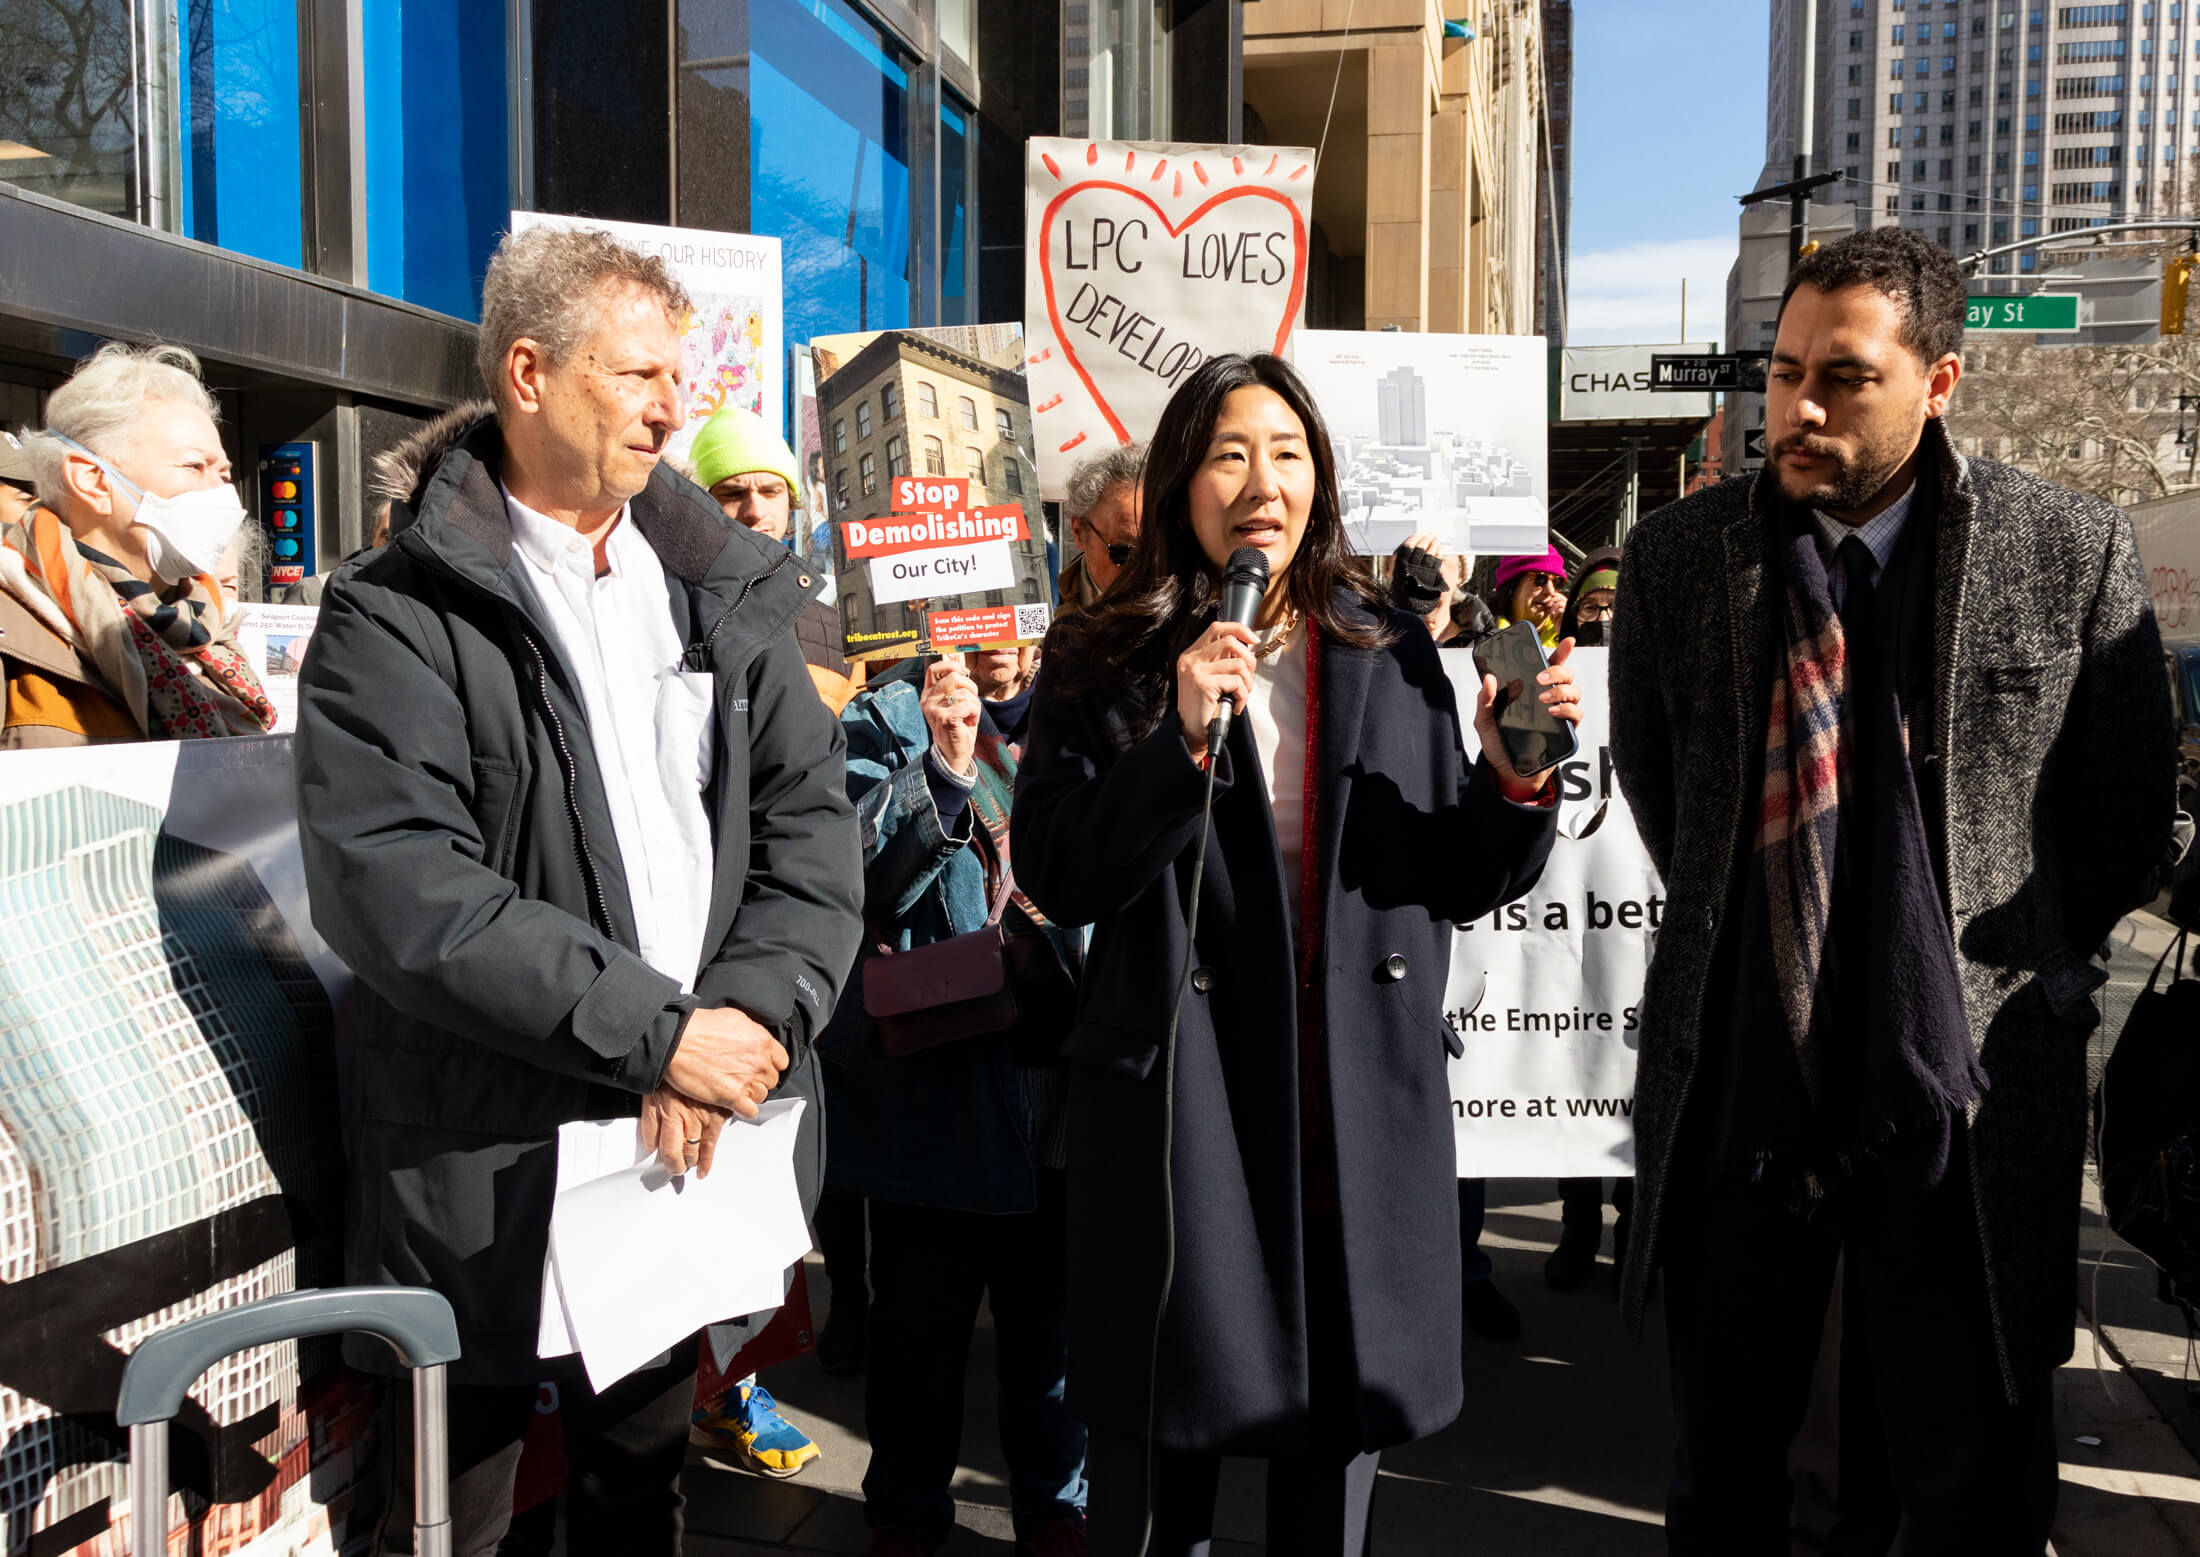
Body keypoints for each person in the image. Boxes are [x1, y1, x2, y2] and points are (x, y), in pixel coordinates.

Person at [292, 223, 863, 1557]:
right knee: (456, 1523)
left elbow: (809, 833)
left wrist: (748, 1021)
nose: (675, 406)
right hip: (481, 1178)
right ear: (530, 374)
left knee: (636, 1504)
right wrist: (655, 1033)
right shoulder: (392, 613)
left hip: (676, 1164)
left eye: (682, 375)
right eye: (639, 373)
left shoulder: (723, 593)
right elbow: (400, 888)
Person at [1609, 225, 2175, 1552]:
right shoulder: (1689, 560)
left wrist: (2013, 957)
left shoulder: (2066, 547)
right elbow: (1659, 785)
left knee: (1968, 1472)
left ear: (1941, 381)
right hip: (1746, 1079)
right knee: (1725, 1471)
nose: (1795, 408)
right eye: (1785, 368)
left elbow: (2123, 816)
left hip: (1963, 1097)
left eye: (1843, 377)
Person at [1013, 353, 1579, 1557]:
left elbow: (1454, 879)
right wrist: (1173, 741)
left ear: (1319, 482)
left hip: (1347, 1110)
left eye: (1286, 452)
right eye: (1228, 452)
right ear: (1181, 482)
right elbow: (1059, 873)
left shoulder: (1385, 647)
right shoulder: (1098, 658)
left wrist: (1512, 777)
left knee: (1330, 1483)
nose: (1259, 480)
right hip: (1186, 1113)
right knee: (1164, 1487)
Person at [825, 640, 1088, 1557]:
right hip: (937, 1092)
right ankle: (903, 1517)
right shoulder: (884, 715)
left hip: (1062, 1086)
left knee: (1052, 1339)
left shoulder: (1088, 696)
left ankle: (1058, 1510)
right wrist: (942, 767)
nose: (1002, 634)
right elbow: (857, 881)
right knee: (919, 1339)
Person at [1386, 531, 1525, 1340]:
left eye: (1451, 553)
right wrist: (1409, 604)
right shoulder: (1380, 640)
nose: (1438, 563)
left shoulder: (1502, 647)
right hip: (1407, 939)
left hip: (1485, 930)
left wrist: (1524, 773)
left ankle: (1461, 1272)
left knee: (1465, 1132)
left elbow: (1493, 842)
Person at [7, 342, 273, 747]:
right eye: (194, 466)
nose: (223, 494)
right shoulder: (14, 627)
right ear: (92, 482)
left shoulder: (213, 630)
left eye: (223, 472)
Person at [1540, 543, 1636, 1294]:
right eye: (1591, 607)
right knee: (1578, 1066)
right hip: (1569, 913)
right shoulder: (1553, 675)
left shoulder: (1661, 677)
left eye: (1616, 605)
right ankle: (1578, 1221)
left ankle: (1638, 1226)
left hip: (1641, 920)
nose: (1602, 618)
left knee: (1637, 1072)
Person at [691, 404, 858, 711]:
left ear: (789, 502)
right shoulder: (672, 609)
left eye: (770, 492)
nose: (755, 511)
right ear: (701, 503)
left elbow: (856, 754)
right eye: (732, 493)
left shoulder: (833, 629)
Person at [1058, 443, 1146, 612]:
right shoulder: (1046, 603)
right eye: (1124, 552)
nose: (1144, 568)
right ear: (1079, 532)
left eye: (1157, 550)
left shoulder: (1194, 611)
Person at [1489, 544, 1567, 648]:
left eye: (1557, 582)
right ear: (1512, 586)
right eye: (1540, 579)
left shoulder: (1569, 633)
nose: (1550, 591)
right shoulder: (1483, 638)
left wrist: (1570, 632)